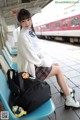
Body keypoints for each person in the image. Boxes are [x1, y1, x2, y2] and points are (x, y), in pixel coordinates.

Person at [17, 8, 80, 109]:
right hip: (29, 72)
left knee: (57, 65)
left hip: (34, 65)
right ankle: (69, 99)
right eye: (23, 21)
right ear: (19, 23)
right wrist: (47, 62)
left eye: (28, 19)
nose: (27, 23)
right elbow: (33, 57)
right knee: (58, 69)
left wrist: (48, 61)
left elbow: (37, 51)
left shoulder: (28, 32)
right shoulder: (23, 36)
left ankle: (65, 89)